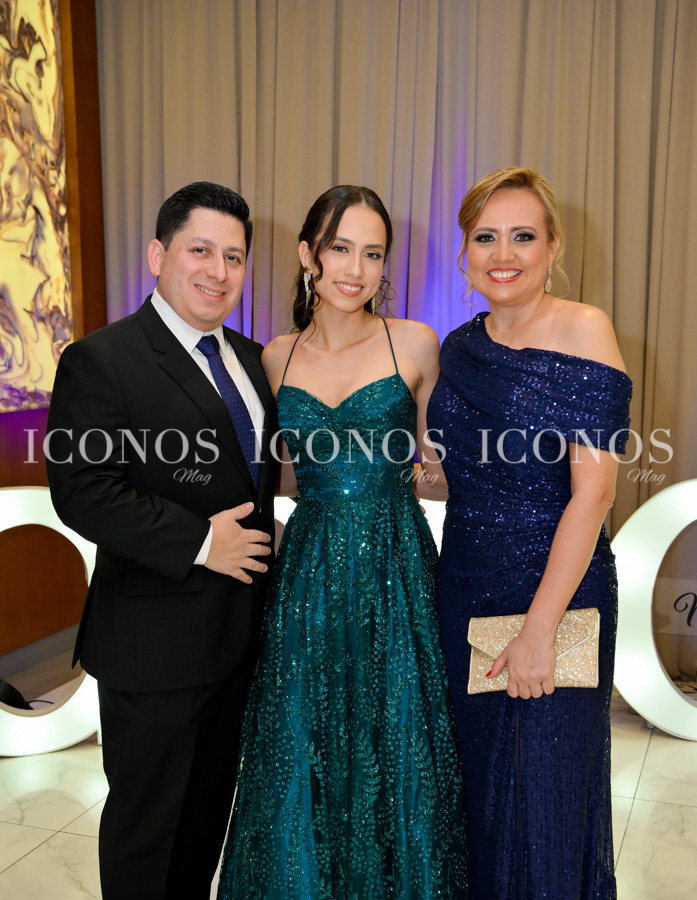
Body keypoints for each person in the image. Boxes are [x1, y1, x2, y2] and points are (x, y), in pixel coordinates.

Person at [217, 185, 468, 899]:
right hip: (310, 569)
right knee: (304, 733)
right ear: (308, 255)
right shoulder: (274, 357)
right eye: (339, 248)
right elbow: (278, 474)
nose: (356, 269)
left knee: (399, 737)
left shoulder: (414, 342)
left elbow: (440, 472)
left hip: (396, 564)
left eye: (373, 253)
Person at [46, 182, 278, 900]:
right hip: (152, 648)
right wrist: (201, 542)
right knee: (147, 837)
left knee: (203, 827)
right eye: (199, 250)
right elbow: (83, 489)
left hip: (238, 638)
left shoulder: (252, 358)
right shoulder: (101, 358)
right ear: (157, 255)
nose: (218, 270)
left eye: (233, 256)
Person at [427, 167, 632, 899]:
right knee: (481, 797)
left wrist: (539, 629)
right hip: (465, 586)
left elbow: (594, 492)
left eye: (522, 236)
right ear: (465, 253)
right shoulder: (457, 348)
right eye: (485, 237)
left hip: (558, 590)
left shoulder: (584, 328)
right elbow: (456, 473)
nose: (503, 254)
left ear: (552, 247)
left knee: (547, 796)